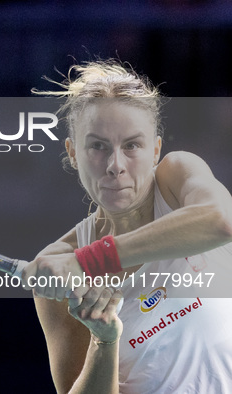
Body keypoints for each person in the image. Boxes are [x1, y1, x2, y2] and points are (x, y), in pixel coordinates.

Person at [23, 60, 232, 393]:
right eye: (97, 146)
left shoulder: (177, 180)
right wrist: (103, 341)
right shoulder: (58, 266)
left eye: (132, 145)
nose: (114, 166)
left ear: (156, 151)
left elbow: (221, 221)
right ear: (73, 153)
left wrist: (89, 261)